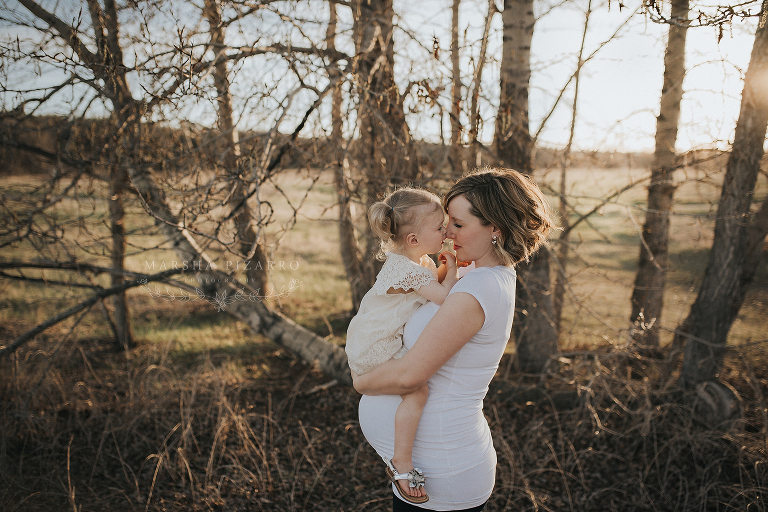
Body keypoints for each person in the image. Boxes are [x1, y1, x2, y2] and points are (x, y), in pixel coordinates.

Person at [353, 167, 553, 511]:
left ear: (495, 229)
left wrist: (361, 383)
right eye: (447, 222)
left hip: (444, 470)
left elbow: (409, 376)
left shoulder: (480, 288)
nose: (447, 232)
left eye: (458, 225)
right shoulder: (477, 271)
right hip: (429, 464)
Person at [345, 187, 460, 504]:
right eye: (440, 228)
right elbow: (445, 298)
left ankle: (364, 383)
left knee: (418, 384)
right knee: (418, 389)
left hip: (372, 338)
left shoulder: (414, 261)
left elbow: (430, 286)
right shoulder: (405, 269)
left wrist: (444, 268)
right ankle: (402, 462)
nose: (446, 232)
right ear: (413, 239)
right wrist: (453, 267)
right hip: (375, 345)